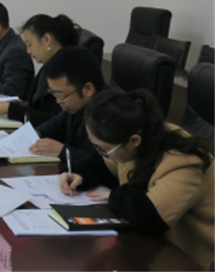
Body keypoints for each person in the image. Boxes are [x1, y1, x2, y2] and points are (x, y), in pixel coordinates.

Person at [60, 89, 214, 269]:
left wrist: (114, 197)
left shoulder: (184, 159)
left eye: (103, 148)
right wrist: (79, 173)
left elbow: (151, 215)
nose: (100, 153)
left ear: (134, 141)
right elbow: (102, 164)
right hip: (155, 246)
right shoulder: (137, 137)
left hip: (192, 257)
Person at [0, 13, 80, 127]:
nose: (28, 51)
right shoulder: (48, 67)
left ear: (47, 39)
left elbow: (57, 121)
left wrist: (14, 110)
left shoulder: (65, 72)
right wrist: (22, 106)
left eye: (30, 45)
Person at [28, 47, 106, 162]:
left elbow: (104, 165)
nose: (58, 101)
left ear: (88, 89)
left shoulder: (109, 115)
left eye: (61, 95)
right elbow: (56, 125)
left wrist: (63, 151)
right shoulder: (76, 105)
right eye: (54, 93)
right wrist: (35, 134)